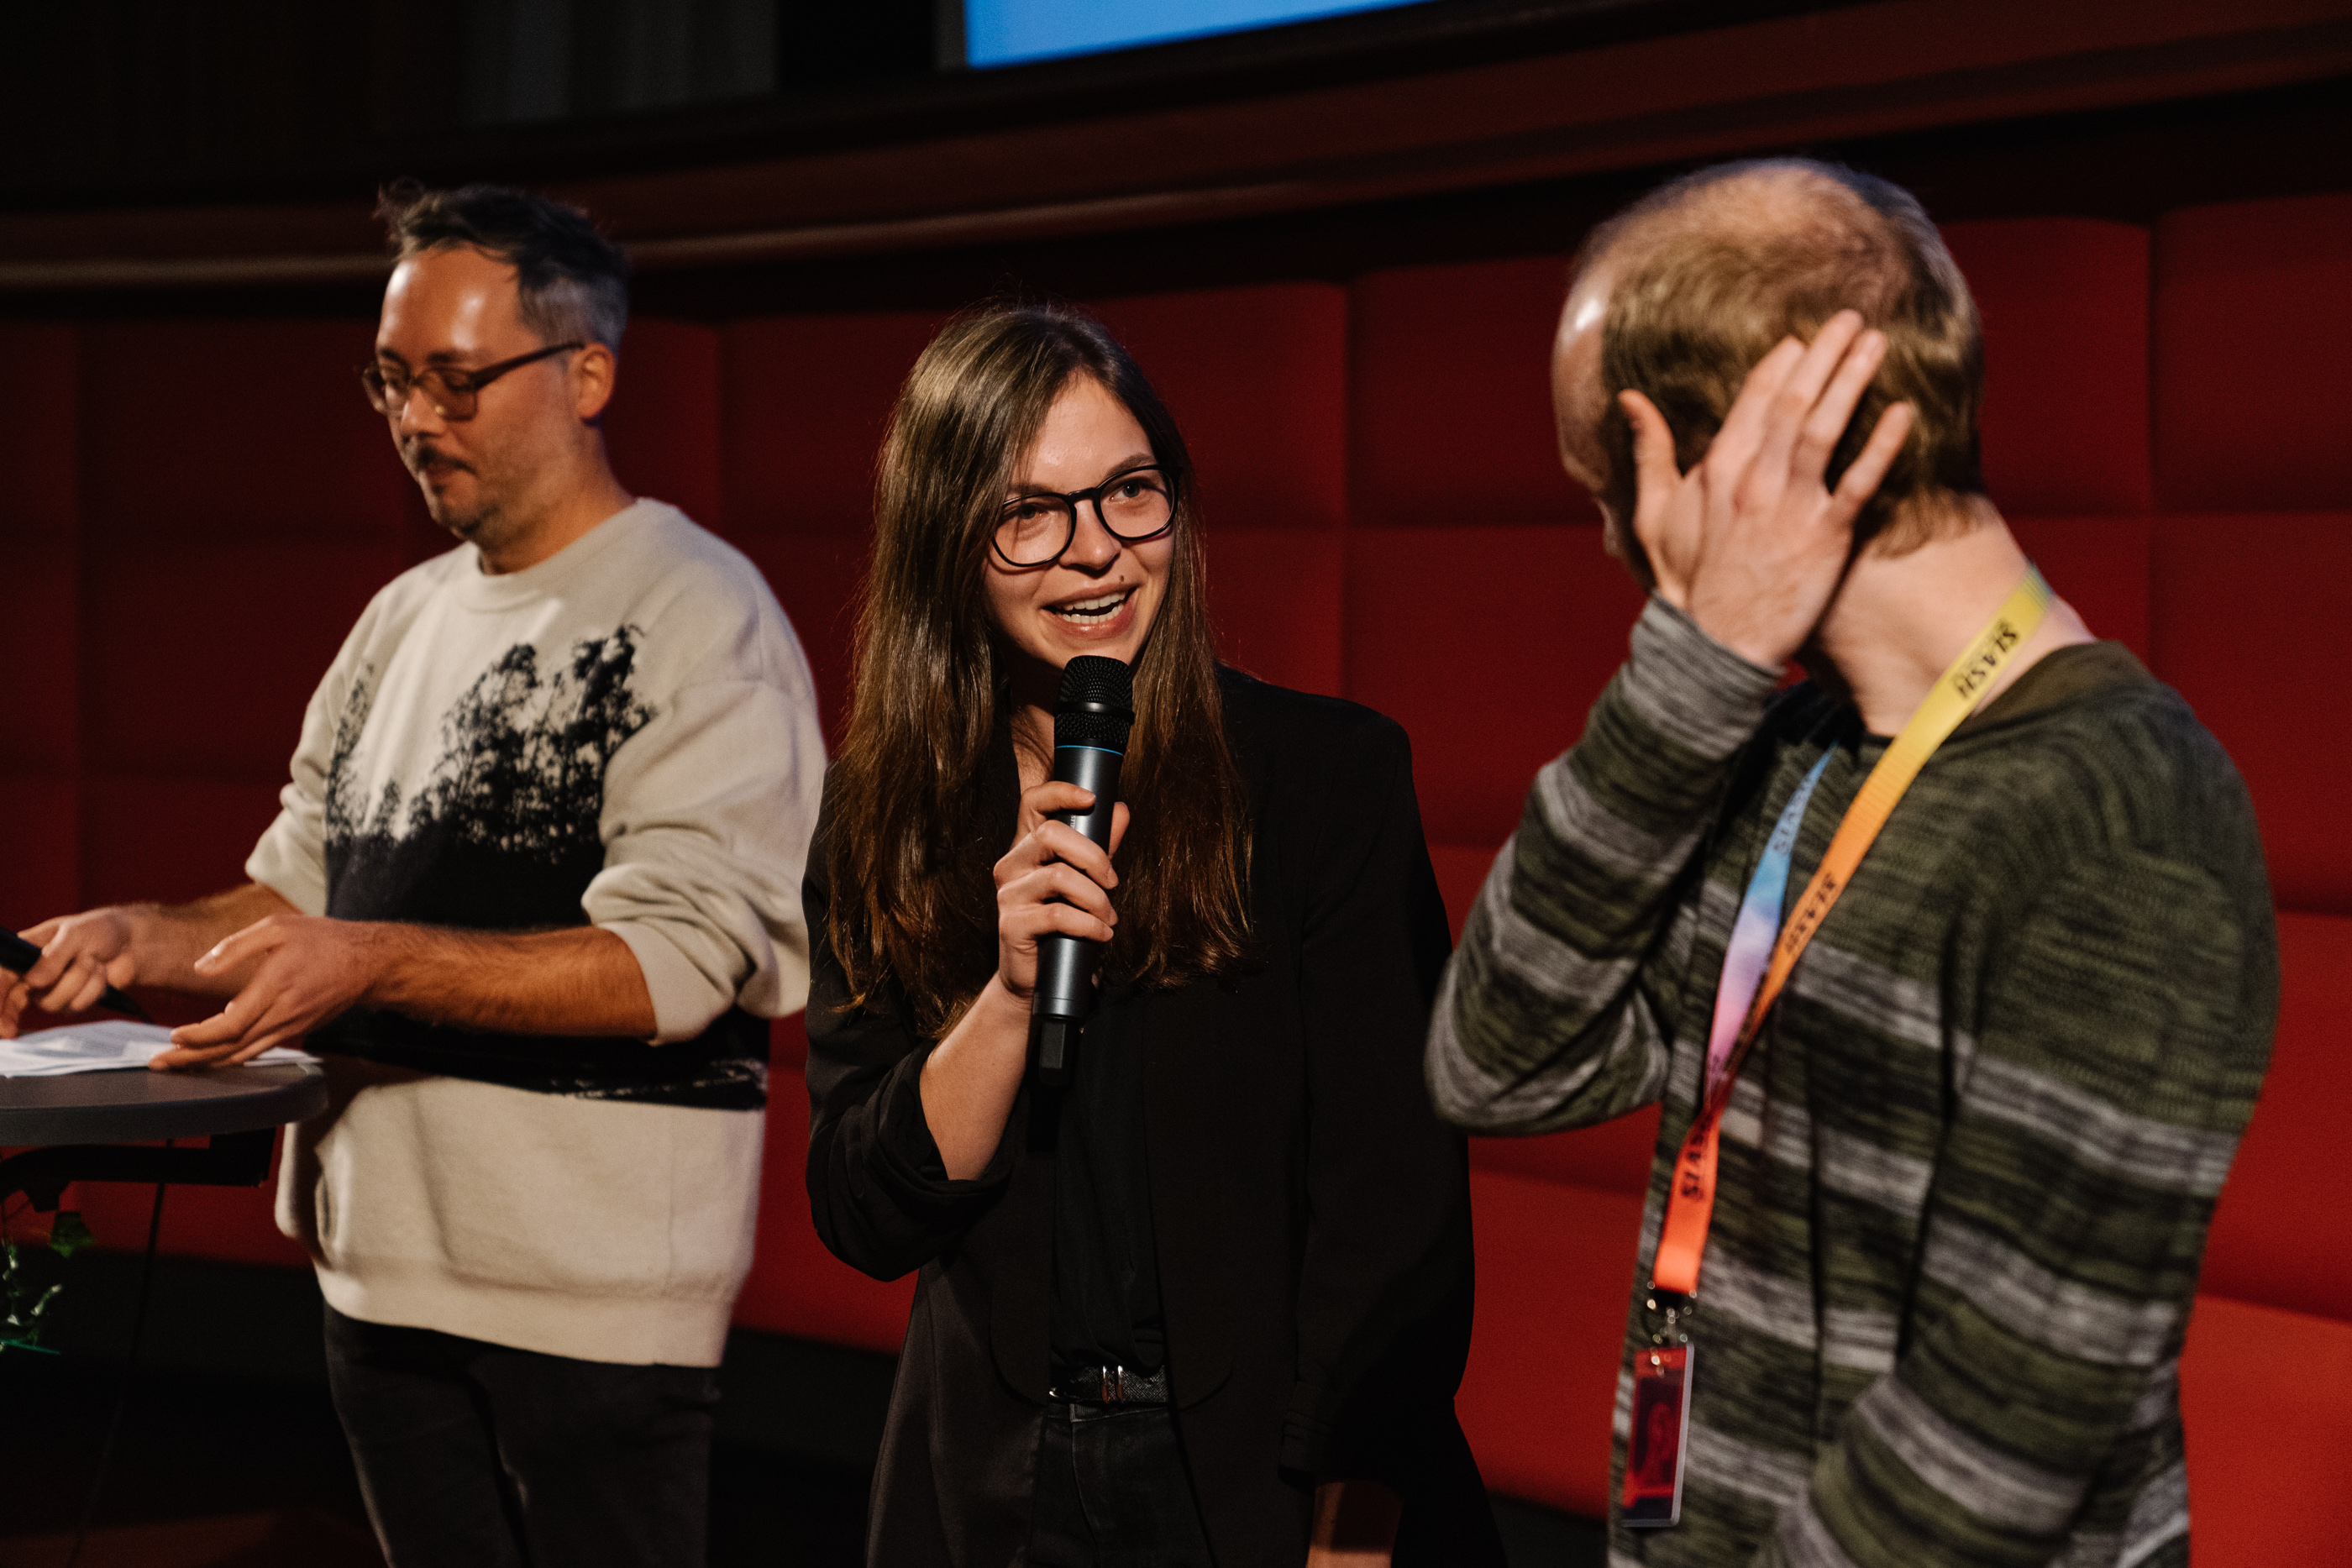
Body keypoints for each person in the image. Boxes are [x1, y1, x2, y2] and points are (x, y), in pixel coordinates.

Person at [1425, 159, 2276, 1567]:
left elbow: (1991, 1447)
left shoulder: (2122, 814)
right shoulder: (1786, 750)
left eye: (1610, 485)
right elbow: (1496, 1061)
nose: (1611, 536)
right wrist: (1691, 673)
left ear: (1728, 464)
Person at [0, 182, 824, 1568]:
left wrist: (370, 961)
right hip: (377, 1273)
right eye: (391, 380)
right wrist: (134, 937)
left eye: (456, 380)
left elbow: (677, 964)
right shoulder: (400, 617)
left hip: (591, 1295)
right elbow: (301, 893)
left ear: (588, 375)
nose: (415, 420)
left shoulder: (699, 611)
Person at [803, 302, 1504, 1566]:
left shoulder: (1325, 781)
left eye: (1131, 492)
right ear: (947, 542)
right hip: (998, 1487)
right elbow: (864, 1211)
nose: (1098, 552)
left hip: (1266, 1482)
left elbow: (1393, 1214)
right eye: (1031, 512)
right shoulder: (882, 813)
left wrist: (1351, 1536)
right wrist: (1007, 999)